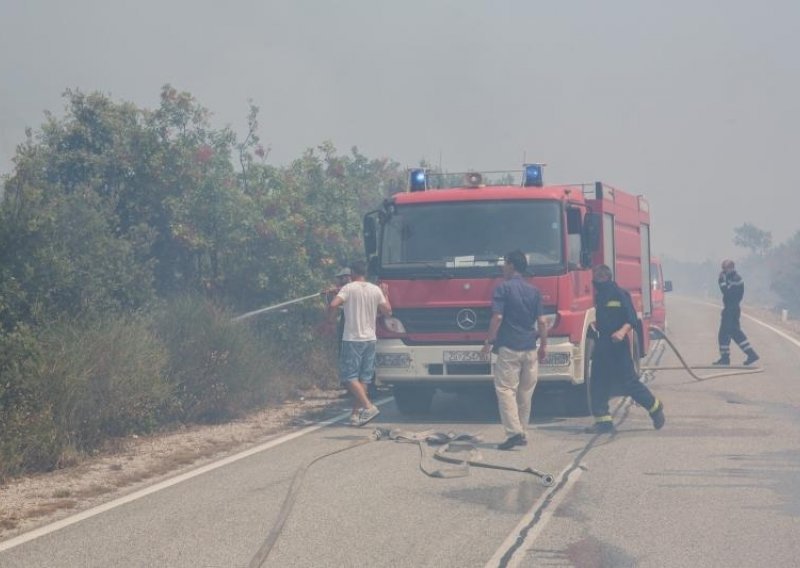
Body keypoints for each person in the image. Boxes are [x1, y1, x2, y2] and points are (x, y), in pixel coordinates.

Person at [585, 264, 665, 434]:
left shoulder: (620, 294)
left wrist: (622, 332)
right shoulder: (600, 296)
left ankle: (655, 408)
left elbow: (631, 319)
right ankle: (603, 422)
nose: (594, 281)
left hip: (618, 346)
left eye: (597, 277)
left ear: (605, 277)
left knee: (628, 383)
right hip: (603, 344)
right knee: (598, 383)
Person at [481, 250, 547, 450]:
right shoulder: (534, 291)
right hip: (530, 348)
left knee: (505, 390)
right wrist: (544, 345)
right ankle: (522, 431)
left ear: (511, 265)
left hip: (510, 348)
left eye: (504, 263)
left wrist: (488, 341)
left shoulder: (503, 289)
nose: (502, 267)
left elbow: (498, 318)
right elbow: (542, 322)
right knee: (525, 392)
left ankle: (513, 433)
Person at [328, 260, 391, 426]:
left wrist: (330, 320)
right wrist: (385, 295)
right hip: (370, 339)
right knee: (364, 378)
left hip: (352, 339)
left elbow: (334, 304)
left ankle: (368, 406)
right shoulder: (375, 289)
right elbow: (388, 311)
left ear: (352, 274)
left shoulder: (348, 288)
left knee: (348, 377)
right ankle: (355, 414)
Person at [712, 259, 759, 366]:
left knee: (730, 333)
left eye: (724, 269)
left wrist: (721, 281)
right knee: (728, 333)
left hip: (731, 309)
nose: (723, 271)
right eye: (722, 269)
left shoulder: (735, 279)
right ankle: (727, 358)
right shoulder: (731, 277)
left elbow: (727, 293)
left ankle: (748, 355)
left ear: (731, 267)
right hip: (730, 309)